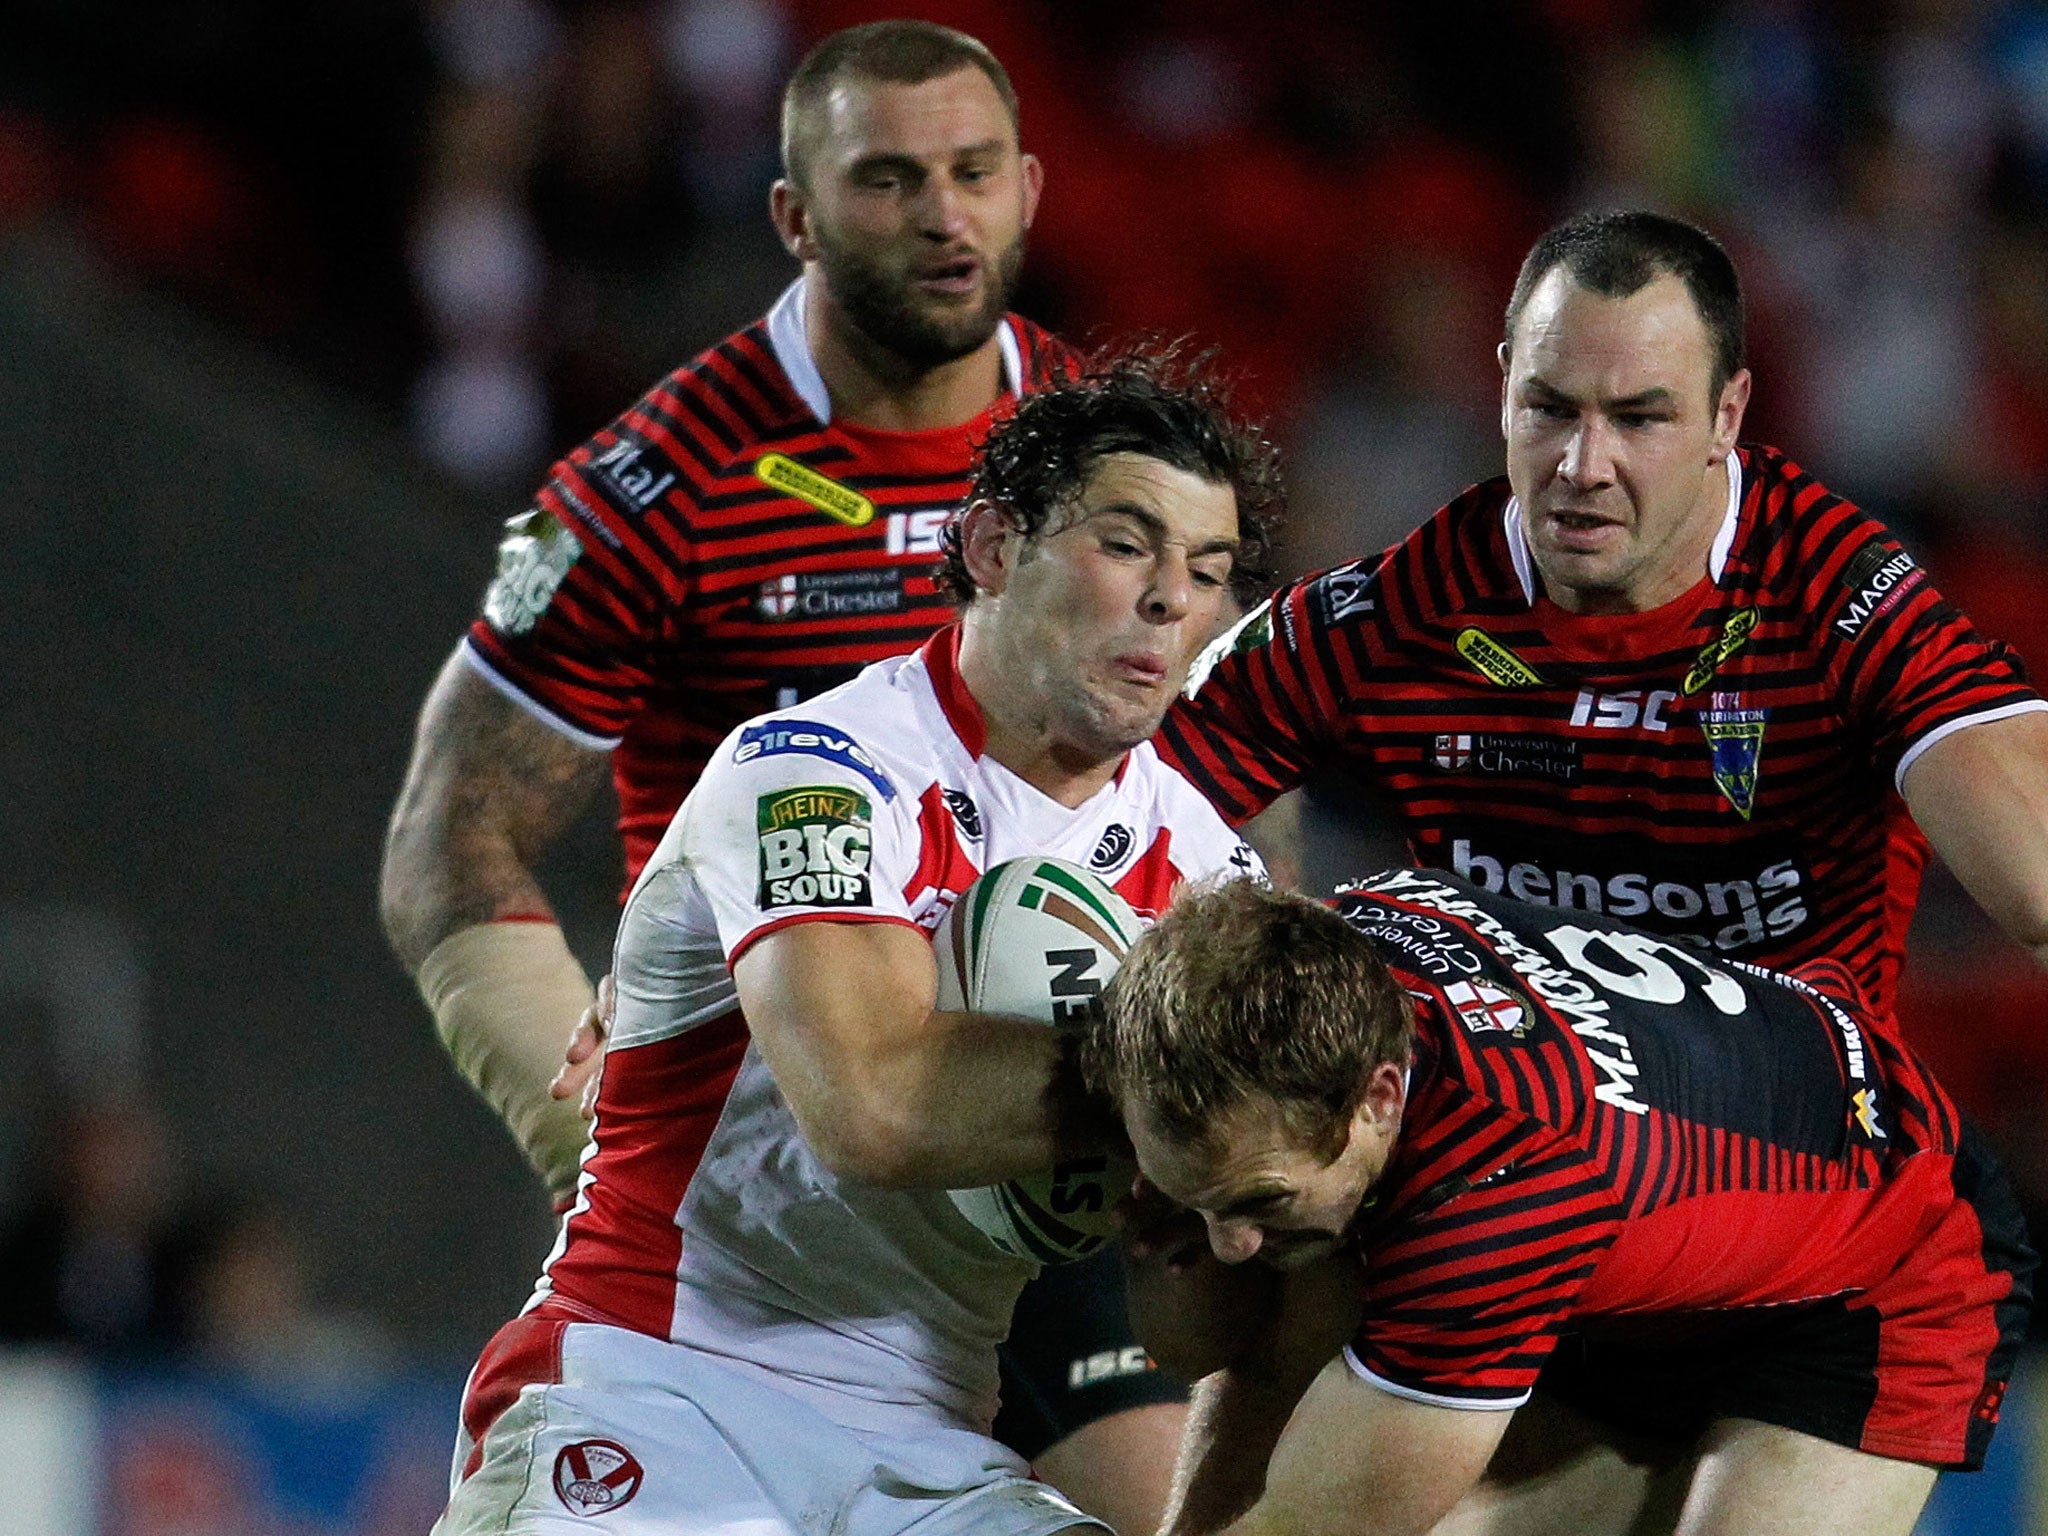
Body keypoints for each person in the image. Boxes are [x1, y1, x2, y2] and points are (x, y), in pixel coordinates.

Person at [381, 21, 1187, 1523]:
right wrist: (584, 1125)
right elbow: (451, 841)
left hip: (1035, 1141)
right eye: (889, 181)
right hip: (764, 1168)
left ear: (1029, 187)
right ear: (795, 216)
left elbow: (1223, 785)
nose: (943, 217)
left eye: (970, 175)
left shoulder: (1116, 468)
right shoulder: (665, 480)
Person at [432, 352, 1280, 1535]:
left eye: (1206, 571)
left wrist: (1226, 1201)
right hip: (660, 1390)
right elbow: (872, 1106)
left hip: (935, 1439)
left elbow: (1189, 1307)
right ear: (991, 548)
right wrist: (1184, 1085)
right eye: (1127, 543)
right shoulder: (820, 771)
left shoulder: (1202, 873)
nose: (1168, 601)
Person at [1159, 209, 2048, 1017]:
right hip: (1514, 1143)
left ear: (1726, 415)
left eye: (1639, 419)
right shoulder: (1400, 610)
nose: (1583, 465)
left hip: (1801, 1150)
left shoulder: (1833, 593)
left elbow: (2038, 892)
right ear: (1505, 385)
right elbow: (1116, 810)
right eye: (1549, 408)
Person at [1084, 871, 2034, 1536]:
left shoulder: (1498, 1194)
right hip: (1681, 1203)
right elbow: (1251, 1364)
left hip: (1894, 1266)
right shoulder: (1322, 955)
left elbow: (1319, 1526)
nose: (1230, 1244)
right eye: (1193, 1202)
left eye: (1254, 1200)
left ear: (1378, 1096)